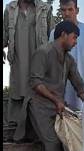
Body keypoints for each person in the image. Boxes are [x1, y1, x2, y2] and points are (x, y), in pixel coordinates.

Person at [15, 20, 84, 151]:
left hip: (57, 107)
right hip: (38, 105)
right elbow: (35, 83)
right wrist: (56, 99)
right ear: (63, 35)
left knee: (75, 139)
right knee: (54, 144)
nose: (75, 42)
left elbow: (79, 85)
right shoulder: (43, 52)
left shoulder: (69, 60)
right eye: (74, 37)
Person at [3, 0, 54, 129]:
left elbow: (53, 36)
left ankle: (38, 129)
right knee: (18, 91)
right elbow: (4, 35)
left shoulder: (45, 9)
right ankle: (16, 129)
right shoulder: (9, 9)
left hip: (39, 62)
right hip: (18, 61)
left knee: (39, 91)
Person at [49, 0, 84, 111]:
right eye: (63, 10)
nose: (67, 13)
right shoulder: (54, 33)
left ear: (77, 10)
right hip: (64, 90)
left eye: (70, 9)